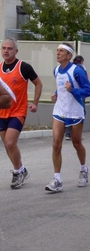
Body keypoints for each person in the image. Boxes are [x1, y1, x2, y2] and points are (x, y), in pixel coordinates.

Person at [45, 43, 90, 192]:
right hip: (59, 111)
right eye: (57, 50)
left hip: (75, 111)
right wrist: (56, 94)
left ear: (69, 55)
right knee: (56, 144)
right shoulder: (56, 70)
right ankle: (57, 179)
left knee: (76, 143)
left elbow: (89, 90)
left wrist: (73, 91)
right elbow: (61, 87)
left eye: (62, 51)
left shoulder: (77, 71)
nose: (58, 53)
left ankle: (83, 169)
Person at [0, 37, 43, 189]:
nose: (6, 51)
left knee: (11, 142)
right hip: (2, 112)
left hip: (18, 111)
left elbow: (38, 83)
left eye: (9, 48)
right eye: (4, 48)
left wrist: (35, 102)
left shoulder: (23, 67)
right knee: (7, 146)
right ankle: (22, 170)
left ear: (16, 51)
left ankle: (18, 172)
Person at [65, 55, 87, 140]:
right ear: (81, 61)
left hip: (69, 93)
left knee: (68, 112)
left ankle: (68, 133)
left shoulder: (68, 68)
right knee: (80, 112)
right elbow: (85, 81)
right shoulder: (82, 68)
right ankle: (77, 134)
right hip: (79, 93)